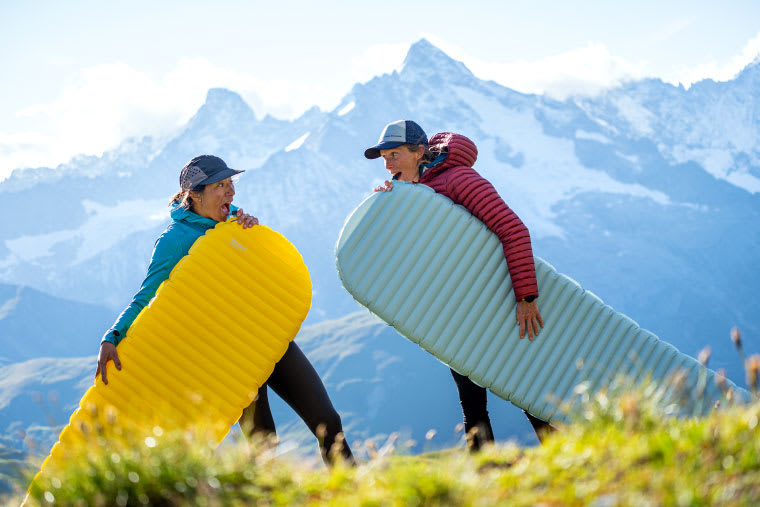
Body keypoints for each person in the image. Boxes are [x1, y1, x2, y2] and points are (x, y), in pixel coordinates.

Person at [96, 154, 353, 465]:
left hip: (267, 336)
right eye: (220, 185)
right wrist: (112, 336)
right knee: (264, 443)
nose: (231, 192)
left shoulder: (235, 224)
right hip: (228, 356)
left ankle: (355, 494)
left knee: (328, 422)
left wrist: (255, 239)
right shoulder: (175, 240)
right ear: (195, 194)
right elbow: (147, 295)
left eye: (231, 183)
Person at [365, 120, 554, 448]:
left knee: (519, 386)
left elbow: (513, 230)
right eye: (384, 156)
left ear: (419, 152)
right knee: (471, 401)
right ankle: (485, 477)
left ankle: (563, 457)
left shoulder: (458, 180)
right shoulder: (403, 192)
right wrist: (388, 208)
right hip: (452, 310)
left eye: (395, 154)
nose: (388, 163)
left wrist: (526, 298)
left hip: (491, 301)